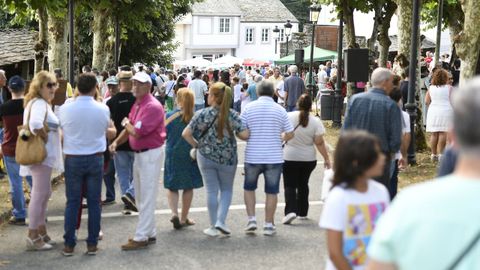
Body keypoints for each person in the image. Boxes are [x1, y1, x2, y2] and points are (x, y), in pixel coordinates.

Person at [367, 77, 480, 270]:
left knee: (435, 135)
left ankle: (435, 153)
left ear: (454, 135)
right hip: (442, 110)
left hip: (437, 110)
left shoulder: (408, 205)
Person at [183, 82, 249, 237]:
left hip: (205, 156)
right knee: (226, 190)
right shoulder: (231, 114)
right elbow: (245, 135)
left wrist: (197, 145)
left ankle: (213, 226)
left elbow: (186, 133)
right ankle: (221, 221)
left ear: (213, 96)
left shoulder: (202, 114)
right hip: (228, 157)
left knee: (211, 190)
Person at [110, 72, 166, 251]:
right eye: (133, 83)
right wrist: (117, 141)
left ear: (148, 86)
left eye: (139, 84)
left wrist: (126, 124)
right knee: (142, 196)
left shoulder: (152, 106)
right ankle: (149, 232)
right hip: (142, 154)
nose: (134, 86)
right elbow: (130, 128)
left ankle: (142, 235)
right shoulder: (139, 104)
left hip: (150, 153)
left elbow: (136, 131)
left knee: (146, 196)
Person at [59, 73, 113, 256]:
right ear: (95, 87)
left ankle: (69, 243)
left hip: (73, 157)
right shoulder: (102, 108)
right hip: (95, 157)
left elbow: (61, 132)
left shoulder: (65, 109)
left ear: (76, 87)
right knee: (94, 201)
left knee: (72, 201)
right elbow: (108, 130)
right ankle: (92, 243)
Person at [320, 130, 390, 270]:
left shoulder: (381, 192)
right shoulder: (338, 197)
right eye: (376, 154)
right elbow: (335, 252)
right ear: (357, 162)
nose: (383, 158)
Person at [241, 80, 294, 236]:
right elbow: (290, 133)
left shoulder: (249, 108)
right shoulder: (280, 110)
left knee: (249, 188)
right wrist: (282, 136)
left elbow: (243, 132)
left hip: (253, 155)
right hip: (274, 157)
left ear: (257, 93)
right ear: (272, 93)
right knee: (272, 191)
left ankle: (251, 219)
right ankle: (269, 224)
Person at [21, 71, 64, 251]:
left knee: (43, 193)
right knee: (40, 194)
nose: (53, 88)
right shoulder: (39, 103)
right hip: (41, 155)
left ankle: (40, 231)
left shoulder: (40, 103)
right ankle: (33, 235)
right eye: (49, 85)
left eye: (54, 84)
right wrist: (45, 138)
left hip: (42, 156)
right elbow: (36, 125)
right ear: (39, 87)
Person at [343, 67, 402, 189]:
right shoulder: (391, 105)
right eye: (391, 82)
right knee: (377, 194)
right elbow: (396, 139)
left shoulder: (355, 100)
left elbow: (346, 130)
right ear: (385, 82)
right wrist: (390, 153)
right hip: (380, 158)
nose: (393, 86)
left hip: (357, 155)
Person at [282, 94, 331, 224]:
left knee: (290, 185)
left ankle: (290, 211)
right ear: (311, 106)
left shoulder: (289, 116)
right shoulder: (315, 121)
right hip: (308, 158)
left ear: (298, 103)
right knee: (303, 184)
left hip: (289, 156)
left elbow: (281, 134)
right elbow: (319, 142)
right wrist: (326, 158)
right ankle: (303, 212)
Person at [164, 88, 203, 229]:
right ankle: (183, 218)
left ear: (178, 99)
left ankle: (174, 213)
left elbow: (164, 134)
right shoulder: (195, 116)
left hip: (172, 152)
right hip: (189, 153)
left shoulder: (169, 115)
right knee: (188, 185)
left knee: (172, 185)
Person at [0, 76, 32, 225]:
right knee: (34, 181)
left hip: (10, 147)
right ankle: (37, 212)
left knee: (16, 183)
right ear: (24, 88)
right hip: (28, 147)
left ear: (9, 89)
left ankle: (19, 214)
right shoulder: (30, 105)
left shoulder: (4, 108)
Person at [106, 70, 137, 214]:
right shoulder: (137, 99)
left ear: (119, 84)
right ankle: (131, 195)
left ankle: (127, 196)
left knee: (122, 173)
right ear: (132, 82)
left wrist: (111, 142)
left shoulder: (111, 102)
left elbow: (109, 124)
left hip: (118, 141)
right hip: (135, 140)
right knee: (136, 172)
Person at [425, 68, 453, 162]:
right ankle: (441, 154)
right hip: (446, 110)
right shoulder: (449, 88)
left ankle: (433, 154)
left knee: (434, 134)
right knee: (443, 133)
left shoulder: (431, 88)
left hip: (433, 110)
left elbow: (426, 101)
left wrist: (433, 106)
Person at [389, 88, 411, 199]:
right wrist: (404, 155)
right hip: (394, 153)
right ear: (400, 99)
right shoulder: (404, 115)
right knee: (392, 180)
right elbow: (405, 136)